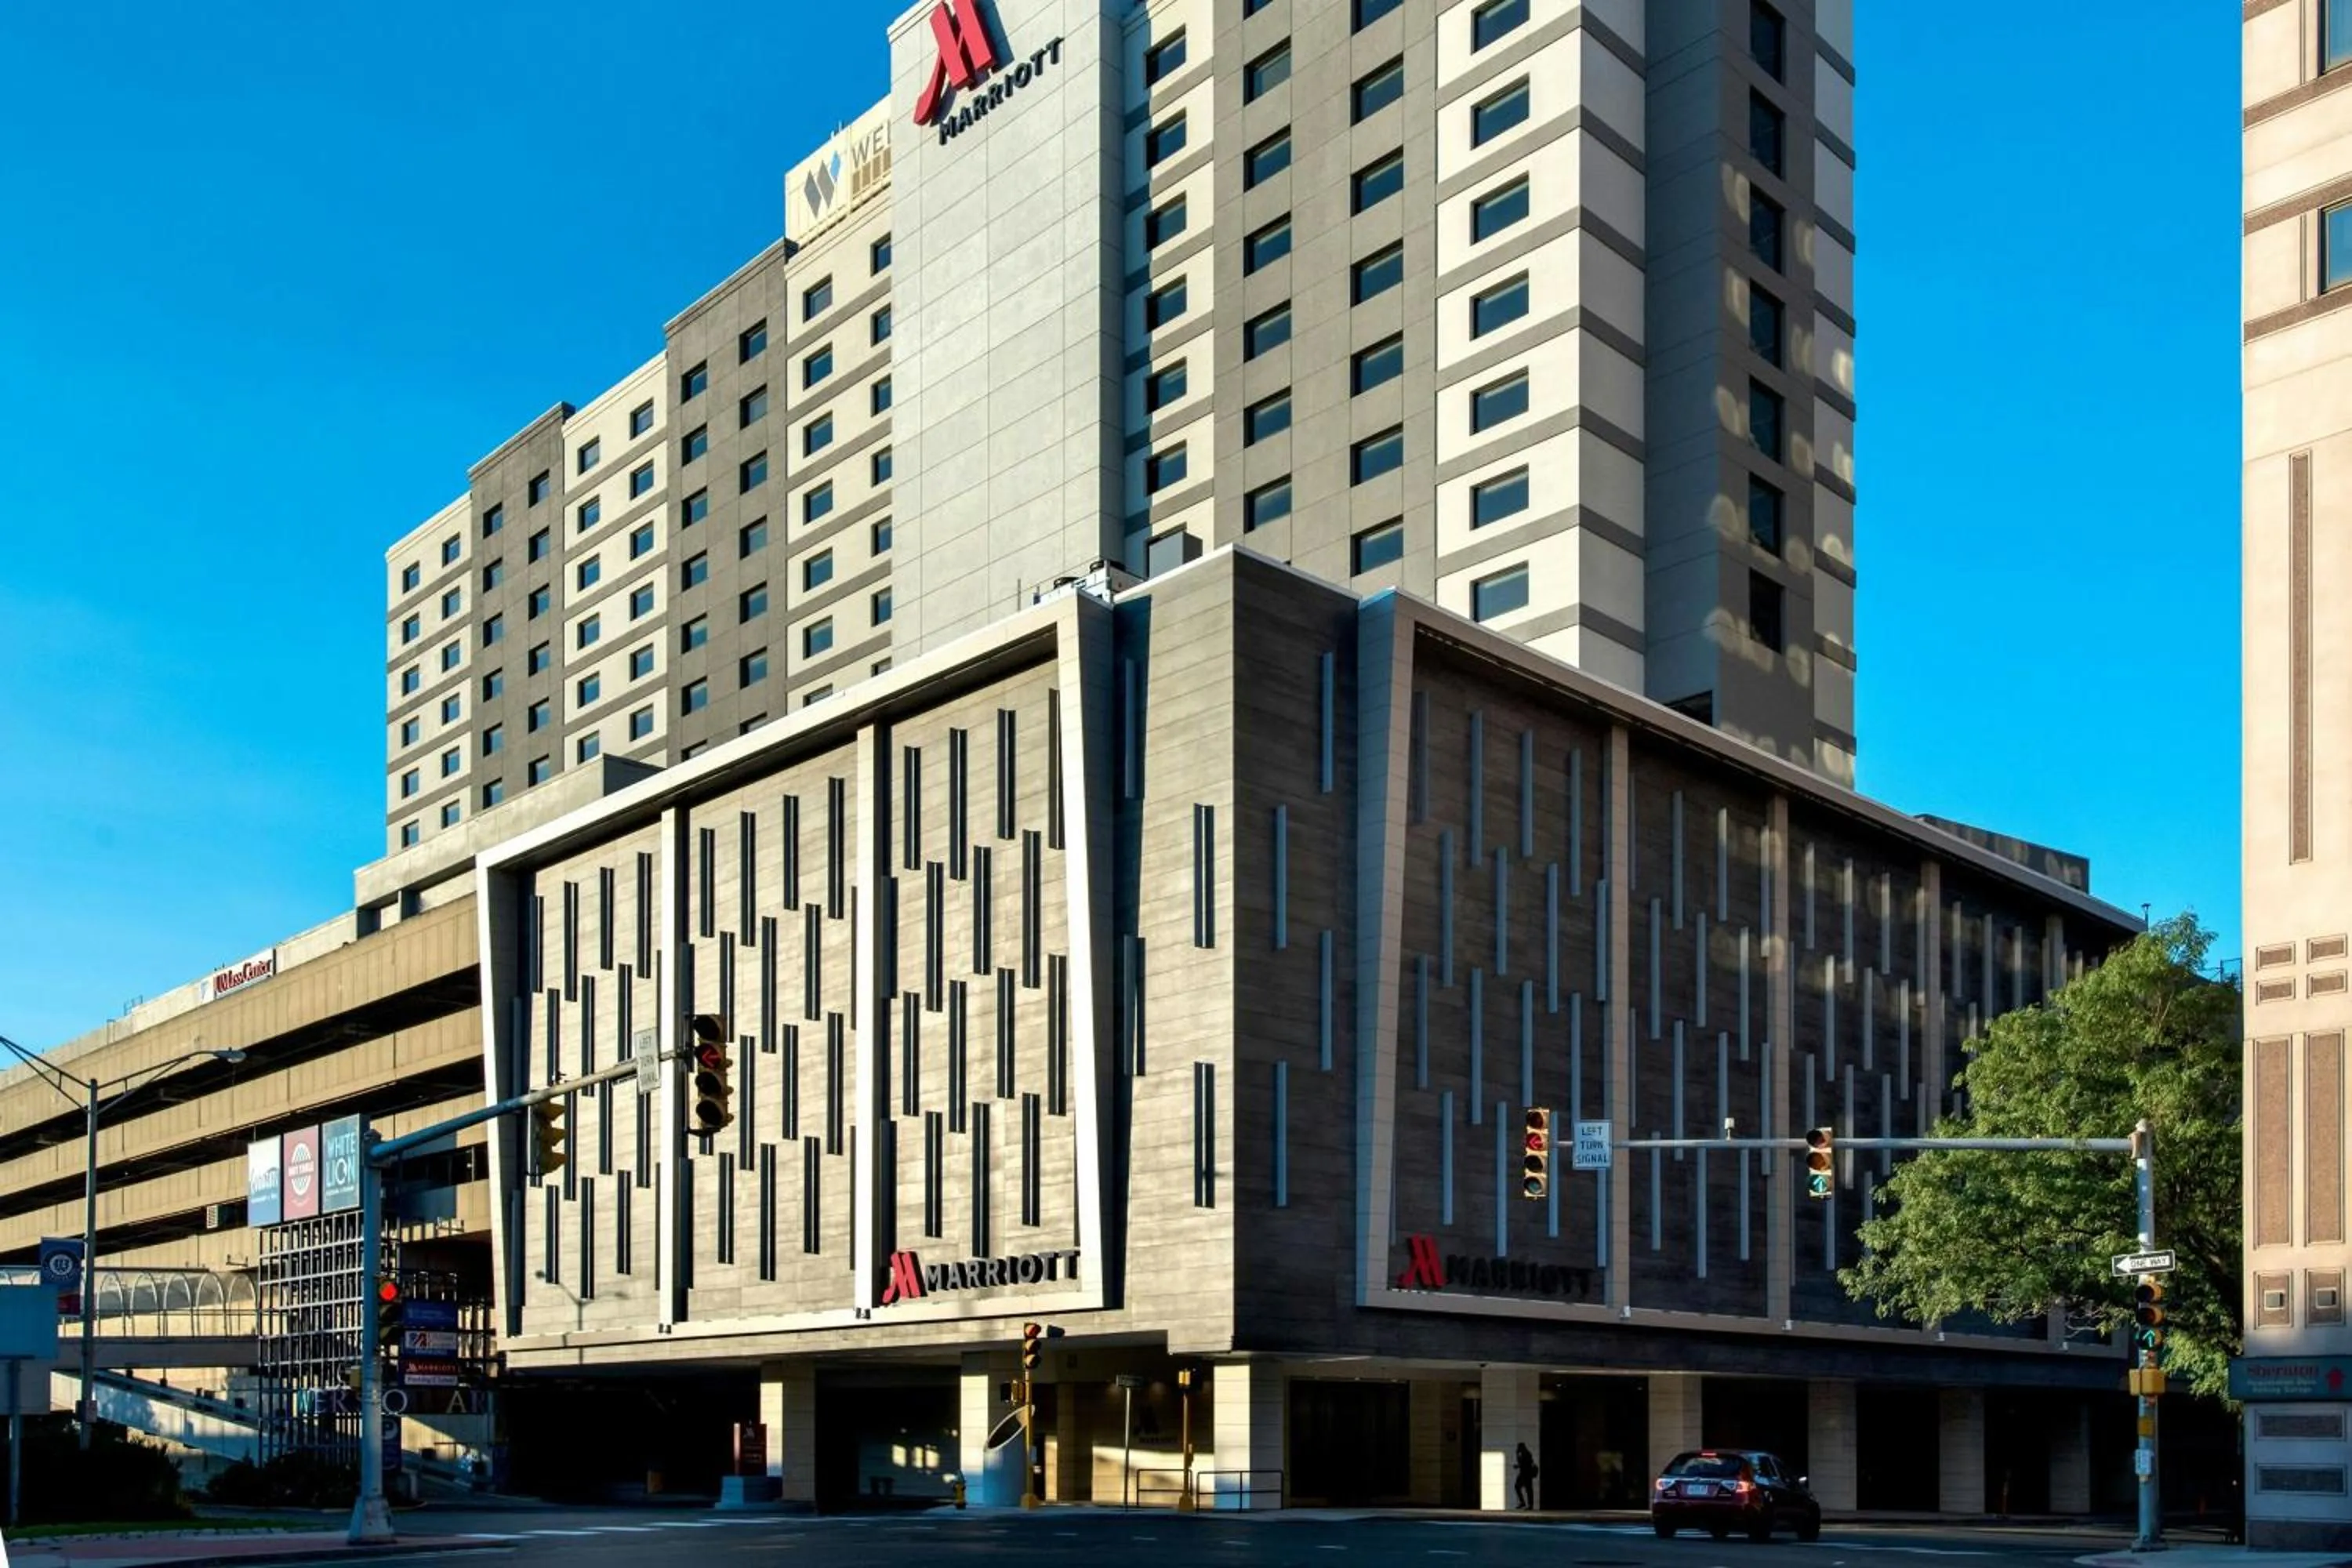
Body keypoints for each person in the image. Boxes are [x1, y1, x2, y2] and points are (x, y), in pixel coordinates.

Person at [1514, 1442, 1539, 1510]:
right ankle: (1524, 1503)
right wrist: (1517, 1455)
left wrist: (1518, 1465)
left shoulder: (1527, 1454)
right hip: (1523, 1474)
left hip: (1526, 1475)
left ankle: (1529, 1505)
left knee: (1528, 1490)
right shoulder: (1523, 1454)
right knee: (1518, 1487)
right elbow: (1521, 1463)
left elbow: (1524, 1464)